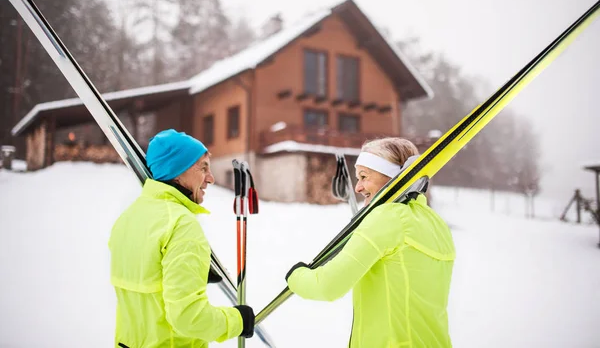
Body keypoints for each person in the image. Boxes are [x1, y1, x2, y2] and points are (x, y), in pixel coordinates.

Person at [285, 137, 456, 348]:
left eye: (364, 177)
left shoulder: (387, 218)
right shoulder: (436, 223)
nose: (358, 188)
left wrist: (296, 276)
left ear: (392, 176)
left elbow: (328, 285)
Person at [108, 129, 254, 348]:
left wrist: (185, 271)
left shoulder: (128, 218)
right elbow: (188, 318)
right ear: (177, 171)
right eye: (203, 167)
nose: (211, 178)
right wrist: (237, 321)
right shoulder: (181, 225)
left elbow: (145, 280)